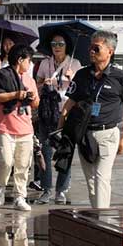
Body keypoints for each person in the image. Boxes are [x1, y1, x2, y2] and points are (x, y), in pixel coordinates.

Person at [61, 31, 123, 209]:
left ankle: (103, 220)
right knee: (91, 181)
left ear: (110, 51)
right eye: (90, 47)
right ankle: (97, 216)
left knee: (102, 177)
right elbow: (71, 101)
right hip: (84, 134)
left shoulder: (120, 77)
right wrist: (61, 126)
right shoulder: (82, 75)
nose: (91, 51)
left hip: (108, 133)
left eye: (96, 48)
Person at [0, 44, 40, 211]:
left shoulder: (29, 79)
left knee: (23, 165)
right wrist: (15, 95)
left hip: (25, 127)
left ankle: (20, 196)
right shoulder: (2, 75)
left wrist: (30, 97)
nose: (30, 64)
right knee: (6, 161)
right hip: (6, 126)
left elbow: (36, 103)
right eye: (29, 60)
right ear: (20, 60)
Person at [30, 33, 82, 204]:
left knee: (65, 151)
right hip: (48, 112)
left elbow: (81, 90)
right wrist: (43, 82)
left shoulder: (75, 63)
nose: (57, 47)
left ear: (66, 46)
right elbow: (35, 84)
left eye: (60, 44)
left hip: (67, 112)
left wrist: (71, 78)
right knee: (45, 150)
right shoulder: (46, 63)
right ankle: (46, 189)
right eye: (54, 44)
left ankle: (61, 189)